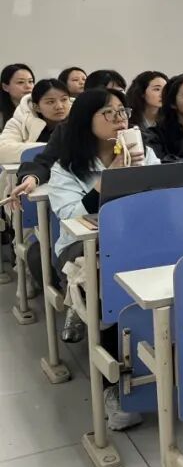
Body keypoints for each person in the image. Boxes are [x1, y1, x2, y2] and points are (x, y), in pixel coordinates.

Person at [48, 87, 159, 431]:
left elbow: (163, 196)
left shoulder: (143, 152)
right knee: (110, 288)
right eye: (108, 113)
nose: (119, 119)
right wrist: (108, 179)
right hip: (83, 249)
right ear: (86, 120)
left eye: (122, 112)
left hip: (138, 242)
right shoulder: (66, 168)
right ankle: (115, 387)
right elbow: (70, 216)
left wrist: (140, 173)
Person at [6, 68, 131, 203]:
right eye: (50, 102)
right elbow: (45, 160)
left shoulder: (129, 131)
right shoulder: (66, 134)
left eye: (120, 92)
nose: (59, 106)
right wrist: (32, 177)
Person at [0, 79, 70, 162]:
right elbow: (2, 149)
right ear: (37, 107)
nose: (59, 106)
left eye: (64, 100)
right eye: (50, 102)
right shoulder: (21, 120)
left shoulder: (80, 115)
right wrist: (50, 149)